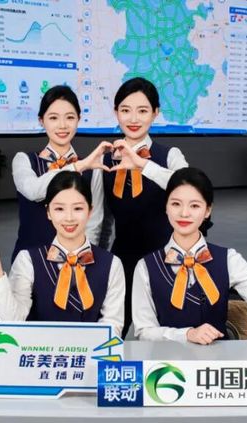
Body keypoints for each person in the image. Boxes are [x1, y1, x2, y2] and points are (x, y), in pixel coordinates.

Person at [132, 168, 247, 345]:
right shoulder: (145, 266)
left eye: (194, 205)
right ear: (166, 207)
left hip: (217, 361)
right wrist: (187, 334)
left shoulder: (229, 259)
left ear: (207, 210)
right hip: (167, 362)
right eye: (176, 204)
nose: (184, 213)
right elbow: (144, 332)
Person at [0, 171, 125, 336]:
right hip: (38, 350)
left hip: (91, 351)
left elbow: (113, 327)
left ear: (90, 211)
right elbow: (12, 321)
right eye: (59, 209)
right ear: (48, 212)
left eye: (78, 208)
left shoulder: (112, 264)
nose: (69, 218)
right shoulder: (28, 260)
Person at [100, 76, 189, 334]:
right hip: (122, 260)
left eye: (142, 111)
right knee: (113, 331)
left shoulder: (169, 155)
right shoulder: (103, 159)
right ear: (116, 112)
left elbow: (187, 187)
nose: (133, 119)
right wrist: (97, 262)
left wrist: (143, 165)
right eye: (125, 110)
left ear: (155, 113)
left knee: (167, 333)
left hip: (167, 260)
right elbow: (100, 221)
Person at [11, 85, 111, 263]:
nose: (62, 125)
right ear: (41, 121)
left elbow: (94, 223)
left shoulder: (92, 169)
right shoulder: (24, 160)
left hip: (75, 264)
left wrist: (83, 264)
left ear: (79, 119)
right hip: (29, 262)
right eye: (53, 118)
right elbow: (33, 191)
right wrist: (78, 166)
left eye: (70, 117)